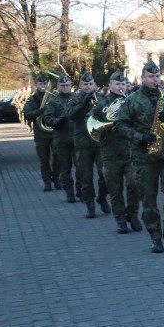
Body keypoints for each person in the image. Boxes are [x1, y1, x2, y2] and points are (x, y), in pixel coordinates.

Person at [113, 61, 164, 253]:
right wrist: (140, 137)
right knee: (149, 199)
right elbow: (119, 125)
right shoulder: (132, 100)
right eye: (151, 77)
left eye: (157, 77)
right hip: (144, 156)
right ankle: (155, 236)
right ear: (143, 78)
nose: (155, 80)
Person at [91, 72, 142, 233]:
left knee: (135, 185)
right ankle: (120, 220)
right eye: (117, 84)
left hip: (130, 151)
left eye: (123, 84)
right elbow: (92, 124)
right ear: (110, 85)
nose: (120, 87)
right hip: (110, 153)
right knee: (115, 190)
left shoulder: (131, 102)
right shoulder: (101, 104)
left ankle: (132, 215)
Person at [65, 72, 111, 218]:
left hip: (100, 142)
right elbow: (70, 115)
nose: (88, 87)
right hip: (82, 143)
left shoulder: (103, 98)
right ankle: (90, 205)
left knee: (105, 174)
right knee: (85, 176)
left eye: (91, 84)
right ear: (80, 86)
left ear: (95, 86)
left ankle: (102, 197)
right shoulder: (74, 99)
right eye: (85, 84)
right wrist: (84, 102)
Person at [39, 75, 78, 202]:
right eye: (62, 86)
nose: (65, 88)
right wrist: (58, 121)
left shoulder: (77, 99)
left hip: (78, 139)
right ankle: (69, 192)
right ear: (58, 87)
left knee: (81, 168)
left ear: (71, 86)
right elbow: (47, 119)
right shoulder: (53, 102)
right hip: (62, 139)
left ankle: (82, 191)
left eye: (67, 85)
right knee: (65, 168)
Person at [22, 74, 56, 190]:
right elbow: (26, 114)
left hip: (54, 132)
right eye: (40, 84)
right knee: (44, 160)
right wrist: (40, 110)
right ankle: (47, 182)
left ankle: (56, 178)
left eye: (45, 83)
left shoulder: (53, 97)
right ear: (36, 85)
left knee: (58, 158)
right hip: (41, 134)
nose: (43, 86)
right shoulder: (32, 99)